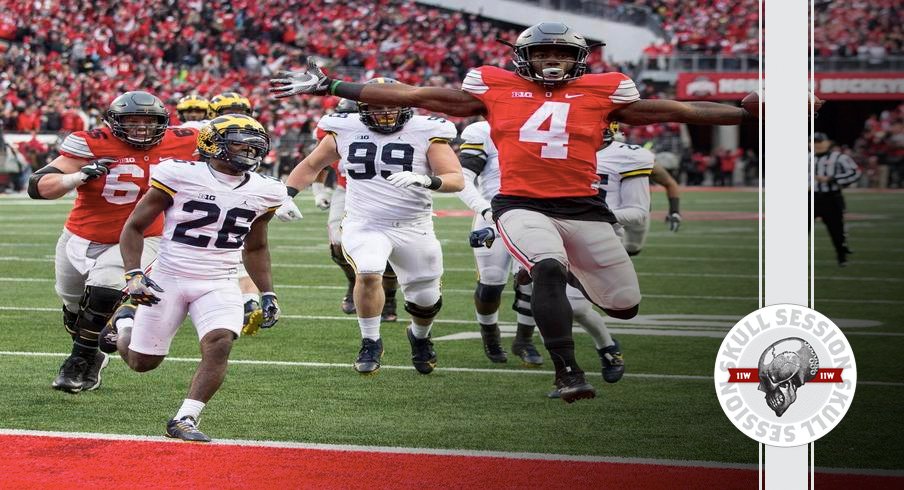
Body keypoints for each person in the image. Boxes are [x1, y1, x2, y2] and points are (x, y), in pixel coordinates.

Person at [271, 22, 761, 403]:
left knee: (624, 305)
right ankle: (568, 372)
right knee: (547, 268)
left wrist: (750, 112)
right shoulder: (494, 89)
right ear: (524, 58)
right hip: (520, 202)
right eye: (543, 53)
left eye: (562, 54)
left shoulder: (604, 92)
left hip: (583, 206)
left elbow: (678, 110)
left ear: (579, 59)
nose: (552, 61)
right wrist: (332, 84)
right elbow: (415, 95)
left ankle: (582, 307)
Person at [99, 114, 284, 442]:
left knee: (220, 342)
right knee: (143, 362)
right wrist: (134, 274)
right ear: (212, 144)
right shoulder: (179, 175)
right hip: (170, 275)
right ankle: (124, 322)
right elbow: (134, 227)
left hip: (220, 278)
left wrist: (267, 292)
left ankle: (185, 417)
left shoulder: (266, 190)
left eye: (254, 142)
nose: (250, 148)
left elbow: (256, 247)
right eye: (240, 140)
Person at [283, 78, 463, 376]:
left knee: (425, 297)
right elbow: (312, 165)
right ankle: (370, 342)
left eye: (391, 106)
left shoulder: (428, 131)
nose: (384, 113)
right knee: (367, 272)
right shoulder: (346, 129)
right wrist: (288, 195)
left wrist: (428, 180)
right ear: (362, 108)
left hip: (413, 225)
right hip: (364, 222)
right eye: (376, 107)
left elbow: (455, 177)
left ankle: (420, 337)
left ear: (406, 105)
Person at [27, 91, 198, 394]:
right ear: (113, 122)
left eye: (149, 121)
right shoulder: (92, 142)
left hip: (142, 236)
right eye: (132, 121)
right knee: (73, 307)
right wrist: (77, 177)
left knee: (105, 289)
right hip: (80, 236)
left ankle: (77, 362)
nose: (141, 128)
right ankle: (92, 355)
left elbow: (232, 136)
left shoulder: (185, 139)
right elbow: (37, 187)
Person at [283, 98, 400, 321]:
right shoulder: (333, 131)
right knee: (337, 245)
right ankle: (352, 282)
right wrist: (319, 191)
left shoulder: (387, 131)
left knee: (391, 248)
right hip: (345, 190)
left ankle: (390, 297)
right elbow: (318, 162)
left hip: (384, 193)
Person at [201, 91, 301, 335]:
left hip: (233, 205)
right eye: (226, 113)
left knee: (238, 250)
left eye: (243, 112)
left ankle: (249, 303)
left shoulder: (253, 135)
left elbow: (248, 174)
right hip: (196, 214)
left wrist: (280, 196)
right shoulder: (198, 135)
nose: (236, 118)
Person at [456, 119, 543, 365]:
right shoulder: (484, 130)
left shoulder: (550, 124)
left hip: (536, 214)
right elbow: (462, 178)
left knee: (533, 280)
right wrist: (485, 211)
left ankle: (524, 340)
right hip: (493, 213)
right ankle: (490, 334)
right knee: (492, 281)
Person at [812, 132, 860, 266]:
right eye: (813, 142)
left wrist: (833, 179)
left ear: (828, 143)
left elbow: (855, 173)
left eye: (819, 142)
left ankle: (841, 256)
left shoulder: (839, 157)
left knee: (836, 230)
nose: (816, 145)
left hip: (831, 198)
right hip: (809, 198)